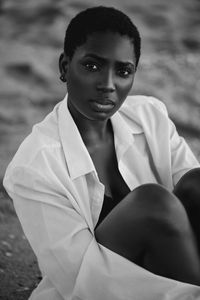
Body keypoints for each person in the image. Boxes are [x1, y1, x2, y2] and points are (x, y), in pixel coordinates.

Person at [3, 5, 200, 300]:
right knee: (153, 203)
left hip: (169, 262)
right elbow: (84, 278)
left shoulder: (150, 115)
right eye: (92, 66)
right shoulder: (33, 166)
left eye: (123, 71)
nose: (108, 85)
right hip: (102, 287)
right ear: (64, 67)